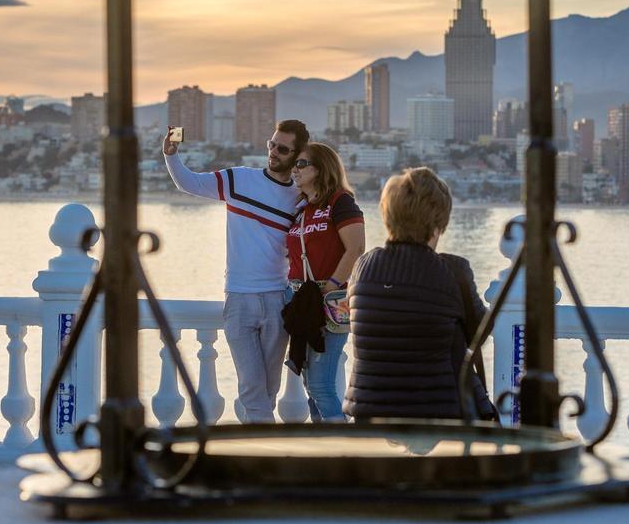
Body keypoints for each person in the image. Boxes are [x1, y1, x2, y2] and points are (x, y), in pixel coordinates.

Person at [164, 120, 309, 423]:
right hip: (239, 300)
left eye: (282, 148)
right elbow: (189, 183)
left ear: (296, 155)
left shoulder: (300, 198)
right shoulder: (238, 179)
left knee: (268, 390)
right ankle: (267, 462)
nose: (273, 152)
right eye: (272, 144)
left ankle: (260, 457)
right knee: (252, 390)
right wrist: (171, 155)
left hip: (278, 301)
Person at [343, 167, 496, 421]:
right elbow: (478, 334)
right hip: (437, 414)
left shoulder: (363, 267)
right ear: (438, 222)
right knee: (452, 333)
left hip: (369, 411)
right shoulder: (452, 270)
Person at [285, 142, 365, 422]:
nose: (294, 168)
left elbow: (355, 248)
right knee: (310, 384)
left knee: (320, 384)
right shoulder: (300, 208)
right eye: (294, 163)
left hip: (331, 302)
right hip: (301, 301)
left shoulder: (340, 201)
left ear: (322, 169)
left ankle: (343, 451)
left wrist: (330, 285)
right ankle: (322, 444)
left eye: (302, 163)